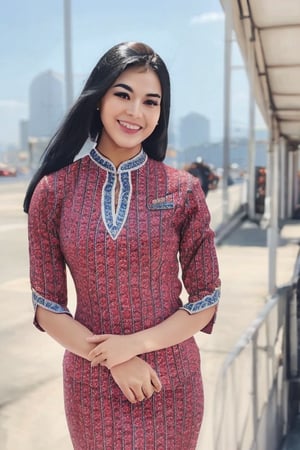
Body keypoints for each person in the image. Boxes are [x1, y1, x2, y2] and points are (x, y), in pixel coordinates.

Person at [24, 41, 221, 450]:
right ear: (98, 99)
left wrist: (134, 347)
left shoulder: (182, 191)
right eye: (123, 95)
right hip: (91, 384)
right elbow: (48, 307)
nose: (136, 112)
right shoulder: (54, 191)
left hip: (171, 380)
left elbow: (206, 301)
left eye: (151, 102)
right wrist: (116, 361)